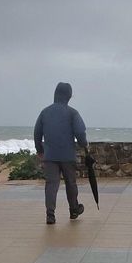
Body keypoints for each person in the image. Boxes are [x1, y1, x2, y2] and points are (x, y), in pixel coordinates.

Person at [34, 82, 88, 225]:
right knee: (71, 183)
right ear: (68, 96)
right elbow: (80, 132)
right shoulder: (72, 113)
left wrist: (40, 150)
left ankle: (50, 214)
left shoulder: (45, 112)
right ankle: (74, 209)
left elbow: (37, 132)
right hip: (67, 155)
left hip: (50, 155)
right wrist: (84, 144)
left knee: (51, 184)